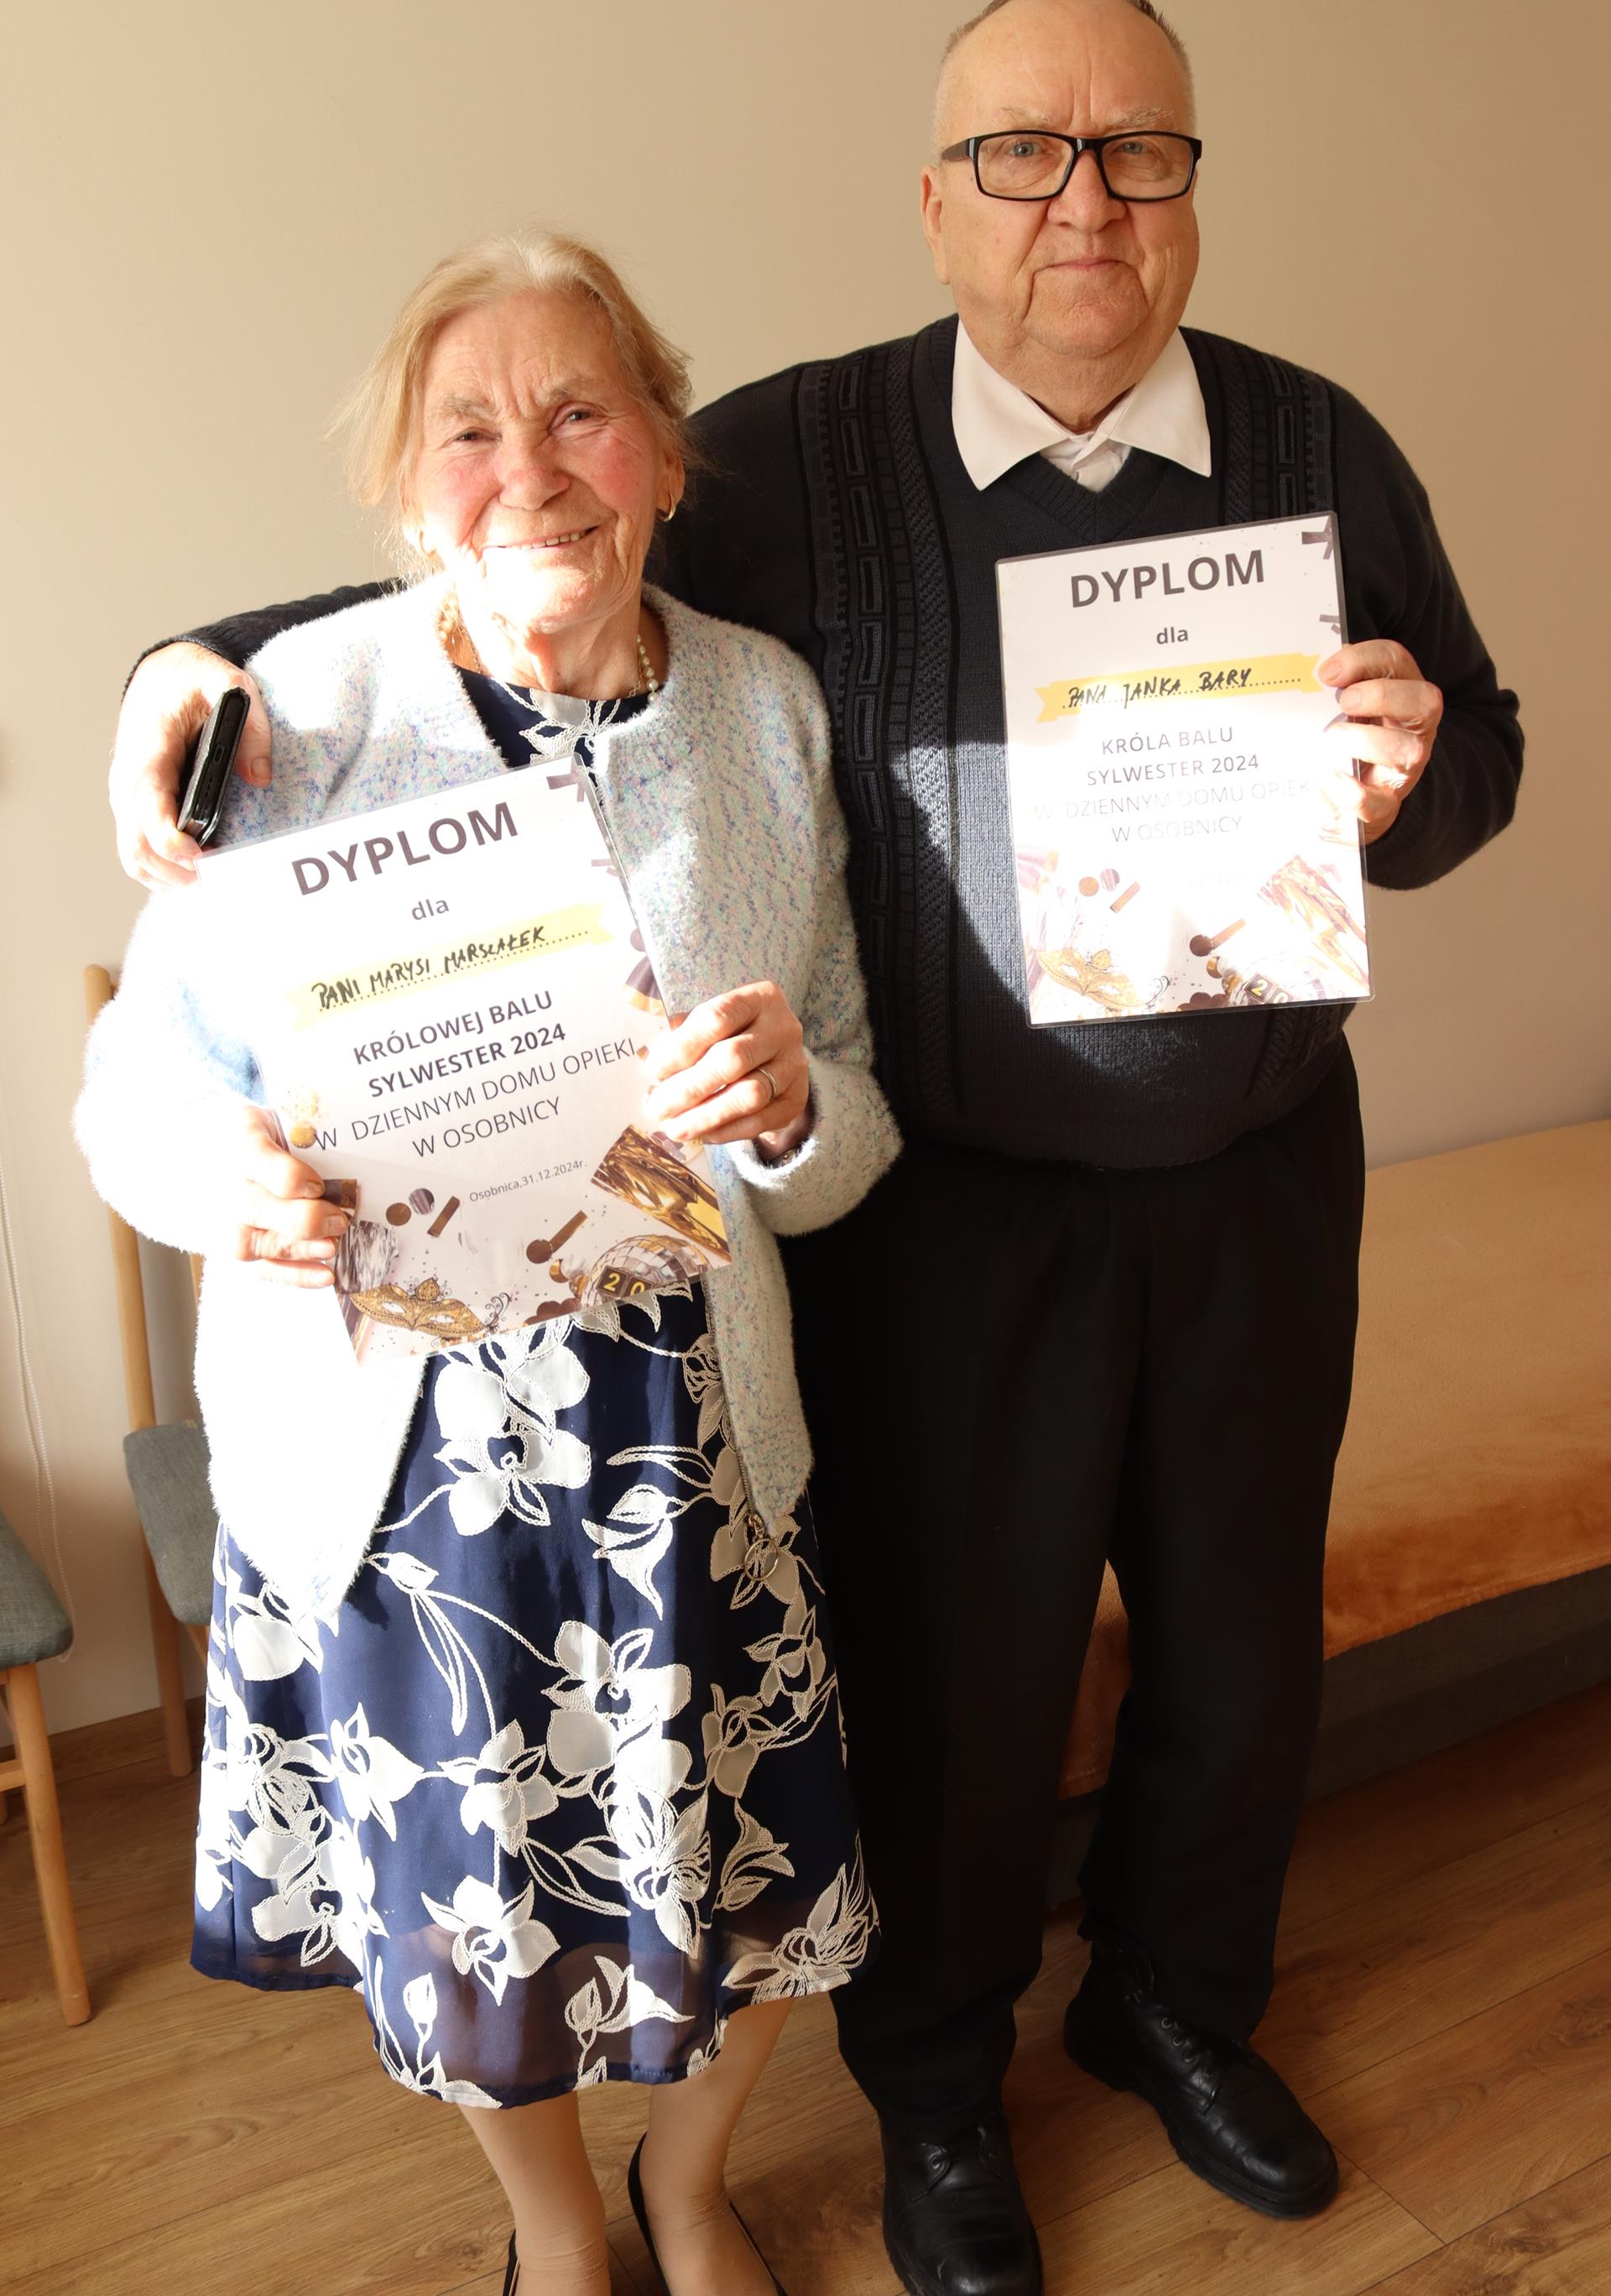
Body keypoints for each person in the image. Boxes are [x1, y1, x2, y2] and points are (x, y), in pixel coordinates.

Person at [104, 4, 1525, 2292]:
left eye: (1141, 151)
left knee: (1244, 1651)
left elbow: (1475, 766)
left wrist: (1419, 773)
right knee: (962, 1679)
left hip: (1260, 1174)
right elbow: (492, 555)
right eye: (1026, 152)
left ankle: (1176, 2005)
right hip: (952, 1210)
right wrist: (171, 675)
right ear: (937, 203)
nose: (1086, 199)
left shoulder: (1313, 440)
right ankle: (938, 2095)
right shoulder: (795, 449)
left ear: (1193, 186)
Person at [79, 229, 901, 2296]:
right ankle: (551, 2222)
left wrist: (793, 1103)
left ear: (666, 457)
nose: (527, 469)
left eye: (579, 412)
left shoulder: (764, 706)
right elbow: (133, 1093)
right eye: (467, 430)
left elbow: (849, 1107)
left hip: (695, 1427)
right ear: (400, 485)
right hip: (403, 1451)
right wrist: (221, 1184)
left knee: (757, 1874)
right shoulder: (289, 720)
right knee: (467, 1920)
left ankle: (690, 2189)